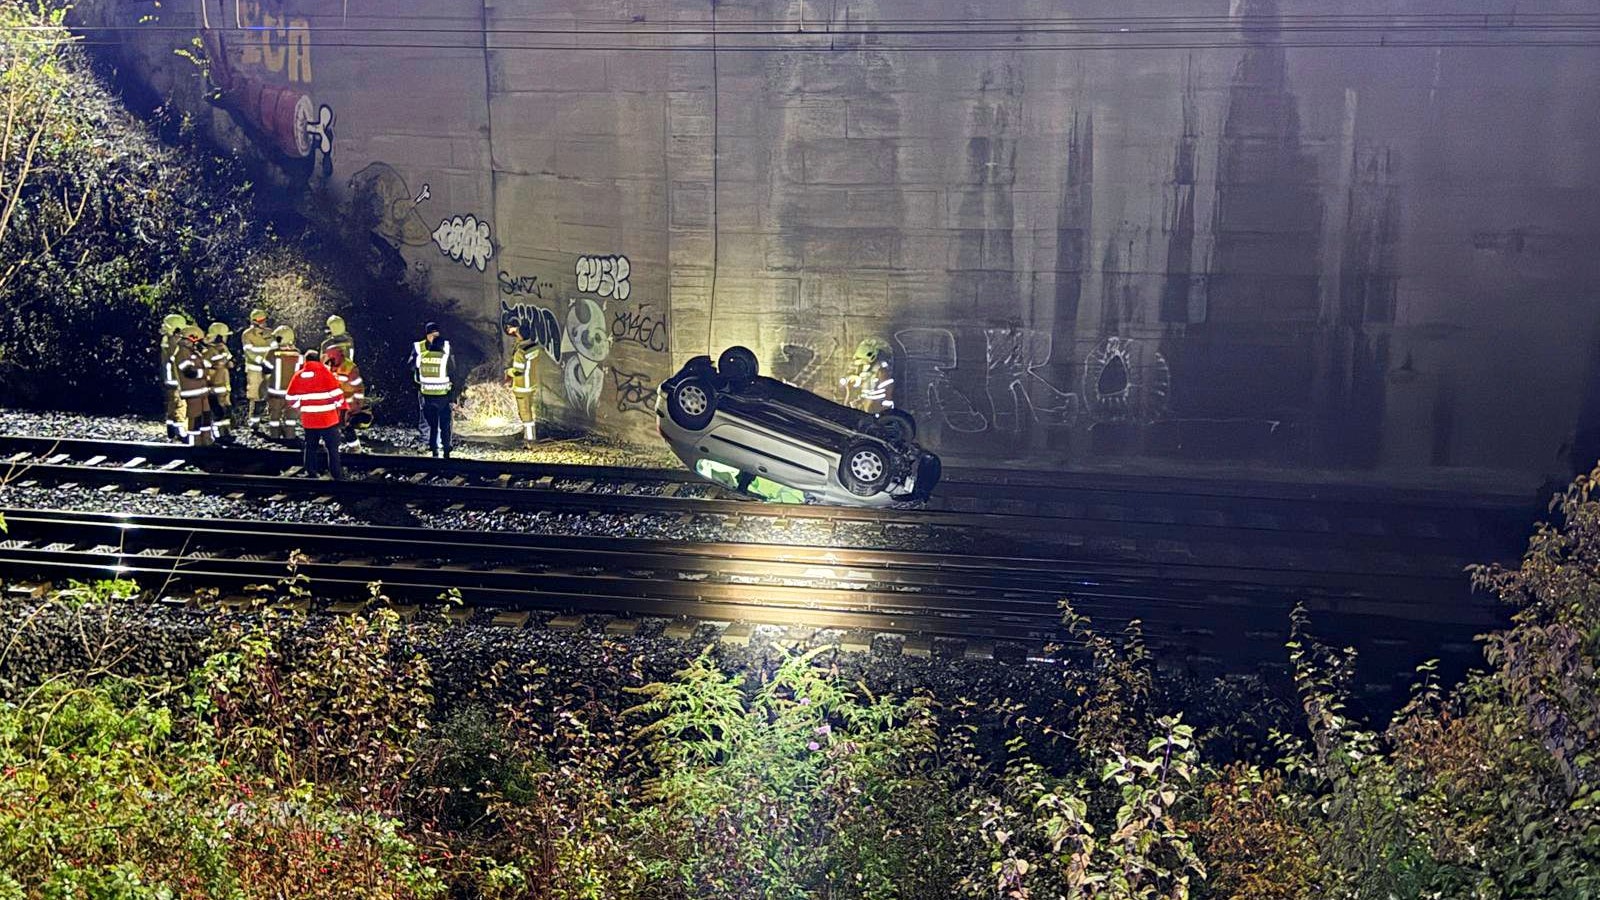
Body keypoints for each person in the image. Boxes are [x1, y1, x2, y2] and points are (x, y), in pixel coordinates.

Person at [286, 348, 348, 480]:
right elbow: (338, 395)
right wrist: (338, 407)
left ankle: (311, 472)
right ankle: (336, 475)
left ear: (306, 361)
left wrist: (301, 408)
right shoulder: (326, 373)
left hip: (309, 420)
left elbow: (290, 397)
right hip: (328, 419)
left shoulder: (299, 375)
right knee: (332, 448)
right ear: (318, 360)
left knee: (311, 447)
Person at [413, 321, 456, 458]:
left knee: (433, 424)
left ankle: (434, 448)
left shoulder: (424, 357)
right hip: (441, 394)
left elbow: (414, 369)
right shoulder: (422, 349)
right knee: (443, 423)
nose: (435, 338)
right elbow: (453, 370)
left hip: (428, 393)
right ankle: (445, 448)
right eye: (432, 335)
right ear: (427, 335)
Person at [174, 325, 215, 447]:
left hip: (201, 391)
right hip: (192, 391)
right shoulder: (182, 352)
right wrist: (205, 373)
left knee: (206, 416)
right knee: (195, 417)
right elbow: (189, 372)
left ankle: (206, 440)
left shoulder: (193, 352)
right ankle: (195, 443)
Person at [504, 322, 541, 445]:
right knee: (529, 410)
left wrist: (508, 371)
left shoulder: (520, 352)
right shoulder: (534, 346)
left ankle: (529, 440)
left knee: (524, 413)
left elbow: (517, 371)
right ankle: (530, 435)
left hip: (522, 386)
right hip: (532, 384)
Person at [324, 345, 366, 451]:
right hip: (335, 403)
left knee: (345, 427)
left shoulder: (350, 368)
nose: (330, 359)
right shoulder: (330, 365)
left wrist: (357, 405)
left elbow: (358, 387)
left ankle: (355, 448)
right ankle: (336, 447)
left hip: (346, 404)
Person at [263, 325, 302, 440]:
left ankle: (275, 436)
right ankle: (290, 436)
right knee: (291, 417)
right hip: (292, 393)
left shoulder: (272, 353)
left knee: (274, 416)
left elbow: (266, 369)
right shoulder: (298, 354)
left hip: (275, 393)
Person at [240, 308, 274, 429]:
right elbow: (249, 352)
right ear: (254, 321)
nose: (263, 322)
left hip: (269, 368)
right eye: (261, 320)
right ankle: (254, 421)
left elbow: (275, 349)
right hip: (255, 369)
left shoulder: (270, 333)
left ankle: (270, 419)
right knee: (256, 396)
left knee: (270, 393)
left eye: (264, 320)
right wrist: (262, 361)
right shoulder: (247, 335)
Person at [159, 313, 189, 440]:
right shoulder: (174, 342)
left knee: (172, 404)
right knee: (180, 405)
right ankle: (181, 431)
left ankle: (171, 428)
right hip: (177, 378)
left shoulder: (166, 339)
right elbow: (178, 359)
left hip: (169, 378)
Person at [204, 322, 236, 444]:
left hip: (223, 387)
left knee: (225, 412)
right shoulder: (209, 352)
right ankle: (220, 436)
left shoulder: (222, 349)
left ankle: (225, 433)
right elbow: (205, 369)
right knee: (218, 413)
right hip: (215, 387)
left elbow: (230, 363)